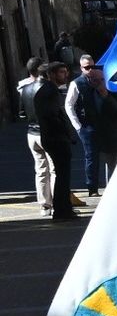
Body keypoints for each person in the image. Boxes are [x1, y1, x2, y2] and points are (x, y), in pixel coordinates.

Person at [33, 61, 76, 221]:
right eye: (61, 73)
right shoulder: (49, 91)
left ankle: (64, 208)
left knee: (62, 174)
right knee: (62, 175)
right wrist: (66, 132)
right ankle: (61, 210)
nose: (65, 75)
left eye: (65, 72)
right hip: (55, 138)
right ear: (51, 75)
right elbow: (52, 116)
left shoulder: (50, 90)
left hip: (53, 137)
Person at [17, 59, 57, 216]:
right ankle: (57, 203)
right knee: (54, 170)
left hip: (31, 134)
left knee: (40, 170)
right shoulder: (47, 88)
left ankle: (44, 205)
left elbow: (21, 114)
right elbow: (55, 112)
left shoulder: (24, 89)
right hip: (46, 132)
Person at [65, 55, 103, 196]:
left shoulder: (99, 78)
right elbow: (69, 105)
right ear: (81, 68)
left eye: (92, 66)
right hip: (86, 125)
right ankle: (92, 187)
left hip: (100, 123)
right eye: (87, 67)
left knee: (107, 153)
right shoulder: (77, 83)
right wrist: (78, 126)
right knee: (91, 156)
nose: (90, 70)